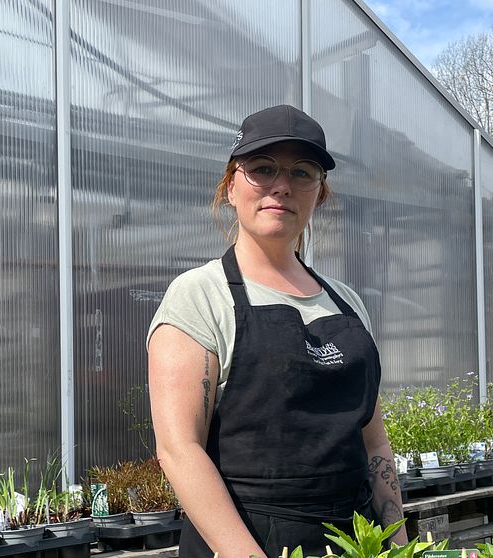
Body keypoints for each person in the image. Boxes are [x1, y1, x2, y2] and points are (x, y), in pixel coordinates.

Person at [147, 105, 406, 558]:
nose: (281, 186)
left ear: (319, 194)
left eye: (302, 172)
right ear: (231, 186)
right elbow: (180, 451)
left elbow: (374, 441)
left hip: (357, 542)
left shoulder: (347, 301)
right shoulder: (199, 297)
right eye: (262, 169)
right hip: (247, 543)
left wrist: (398, 545)